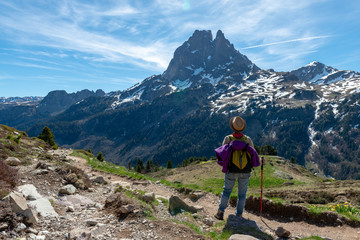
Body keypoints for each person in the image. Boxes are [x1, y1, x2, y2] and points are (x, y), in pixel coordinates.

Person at [214, 116, 259, 220]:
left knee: (226, 191)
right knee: (242, 194)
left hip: (231, 170)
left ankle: (220, 212)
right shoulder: (247, 139)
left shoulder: (228, 138)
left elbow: (223, 153)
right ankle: (239, 215)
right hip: (245, 170)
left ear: (232, 127)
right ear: (242, 128)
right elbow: (253, 153)